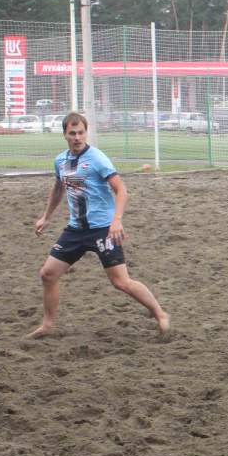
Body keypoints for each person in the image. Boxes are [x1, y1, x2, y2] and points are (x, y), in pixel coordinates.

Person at [30, 113, 170, 339]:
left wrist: (116, 221)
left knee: (120, 282)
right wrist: (46, 217)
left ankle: (160, 314)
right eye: (72, 133)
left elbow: (122, 190)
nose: (77, 137)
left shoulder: (97, 158)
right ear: (64, 134)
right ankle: (47, 325)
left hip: (103, 229)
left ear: (86, 132)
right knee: (47, 274)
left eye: (81, 132)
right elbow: (58, 188)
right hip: (75, 230)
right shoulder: (60, 161)